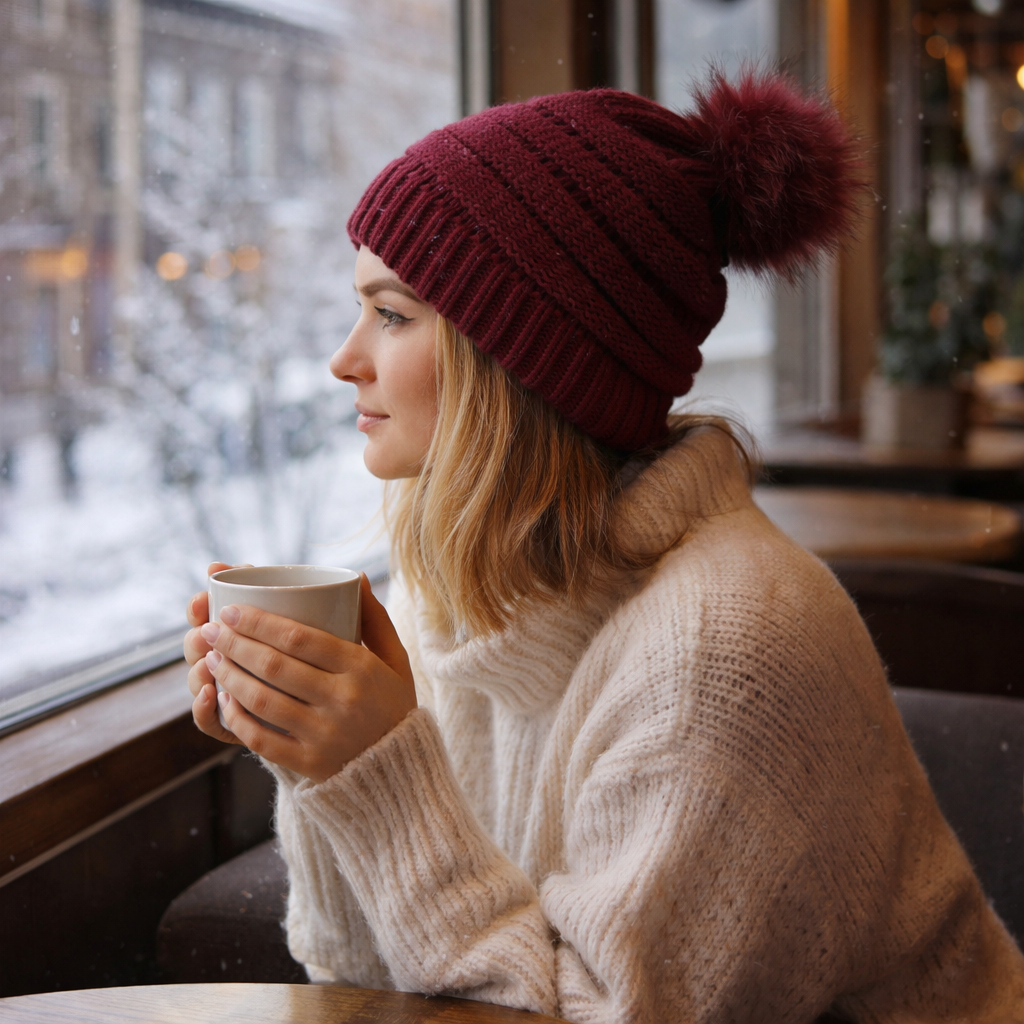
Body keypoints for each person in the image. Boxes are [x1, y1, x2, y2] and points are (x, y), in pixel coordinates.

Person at [184, 72, 1024, 1022]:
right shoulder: (461, 593)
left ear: (520, 358)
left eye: (392, 312)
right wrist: (311, 753)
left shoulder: (722, 655)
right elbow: (361, 978)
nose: (345, 358)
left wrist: (377, 773)